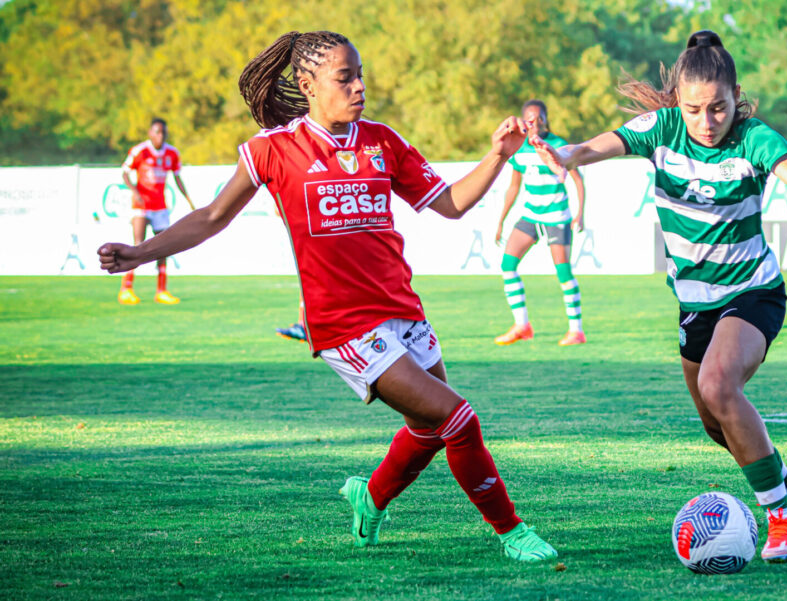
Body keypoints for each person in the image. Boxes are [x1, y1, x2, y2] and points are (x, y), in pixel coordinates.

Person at [98, 30, 557, 562]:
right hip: (345, 326)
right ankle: (512, 532)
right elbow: (211, 217)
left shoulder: (382, 140)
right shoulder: (272, 151)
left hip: (401, 309)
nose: (359, 86)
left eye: (361, 75)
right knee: (458, 419)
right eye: (346, 77)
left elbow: (450, 204)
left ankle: (370, 497)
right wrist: (138, 253)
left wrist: (497, 156)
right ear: (308, 84)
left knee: (429, 430)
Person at [530, 30, 787, 563]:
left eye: (718, 108)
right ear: (678, 100)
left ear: (734, 95)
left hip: (752, 294)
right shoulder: (662, 127)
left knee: (719, 385)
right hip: (694, 304)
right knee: (712, 420)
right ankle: (785, 483)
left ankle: (780, 518)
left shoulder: (754, 138)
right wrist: (565, 156)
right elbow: (593, 147)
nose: (706, 121)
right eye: (695, 109)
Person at [493, 100, 587, 346]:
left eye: (539, 117)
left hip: (557, 216)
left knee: (563, 272)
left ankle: (576, 330)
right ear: (524, 121)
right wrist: (501, 220)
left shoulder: (557, 145)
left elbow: (577, 179)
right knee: (507, 264)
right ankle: (522, 325)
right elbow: (514, 187)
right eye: (530, 118)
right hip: (531, 215)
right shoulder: (520, 148)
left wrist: (580, 213)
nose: (535, 122)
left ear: (545, 119)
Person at [118, 118, 195, 305]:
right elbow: (125, 172)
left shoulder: (172, 153)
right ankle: (126, 289)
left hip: (160, 206)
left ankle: (161, 290)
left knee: (163, 248)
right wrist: (135, 192)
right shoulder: (140, 151)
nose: (160, 136)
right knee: (138, 244)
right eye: (157, 132)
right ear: (150, 133)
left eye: (163, 133)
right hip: (142, 205)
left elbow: (177, 178)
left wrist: (189, 200)